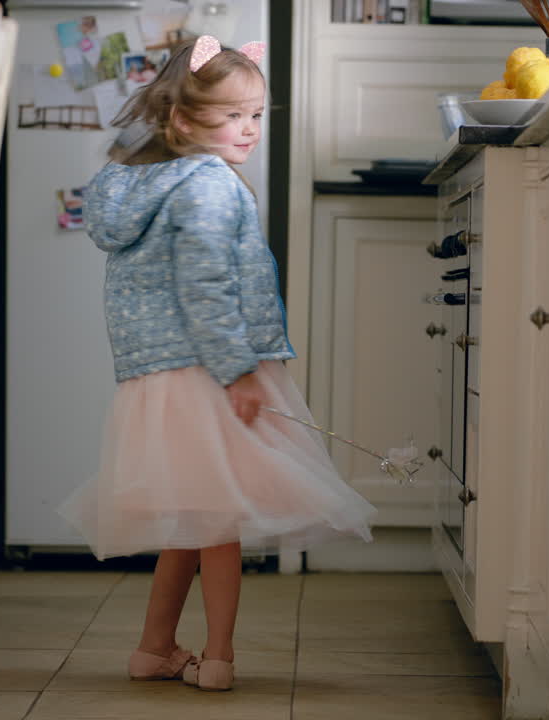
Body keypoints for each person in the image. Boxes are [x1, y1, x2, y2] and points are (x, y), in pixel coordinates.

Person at [59, 36, 376, 692]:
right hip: (206, 367)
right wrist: (236, 369)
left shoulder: (148, 180)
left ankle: (155, 648)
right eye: (233, 116)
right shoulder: (205, 182)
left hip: (158, 371)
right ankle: (221, 658)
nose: (250, 130)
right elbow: (203, 283)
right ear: (182, 122)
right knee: (220, 519)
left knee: (194, 511)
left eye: (257, 114)